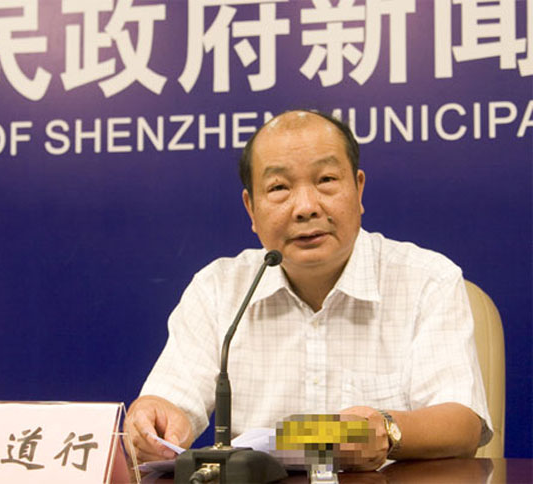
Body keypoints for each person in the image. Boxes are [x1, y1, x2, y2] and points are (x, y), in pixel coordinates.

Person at [125, 110, 492, 471]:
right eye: (279, 188)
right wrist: (154, 420)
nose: (305, 207)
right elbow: (169, 400)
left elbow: (462, 424)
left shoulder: (427, 280)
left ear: (358, 189)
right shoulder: (218, 289)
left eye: (326, 180)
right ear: (251, 208)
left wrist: (386, 430)